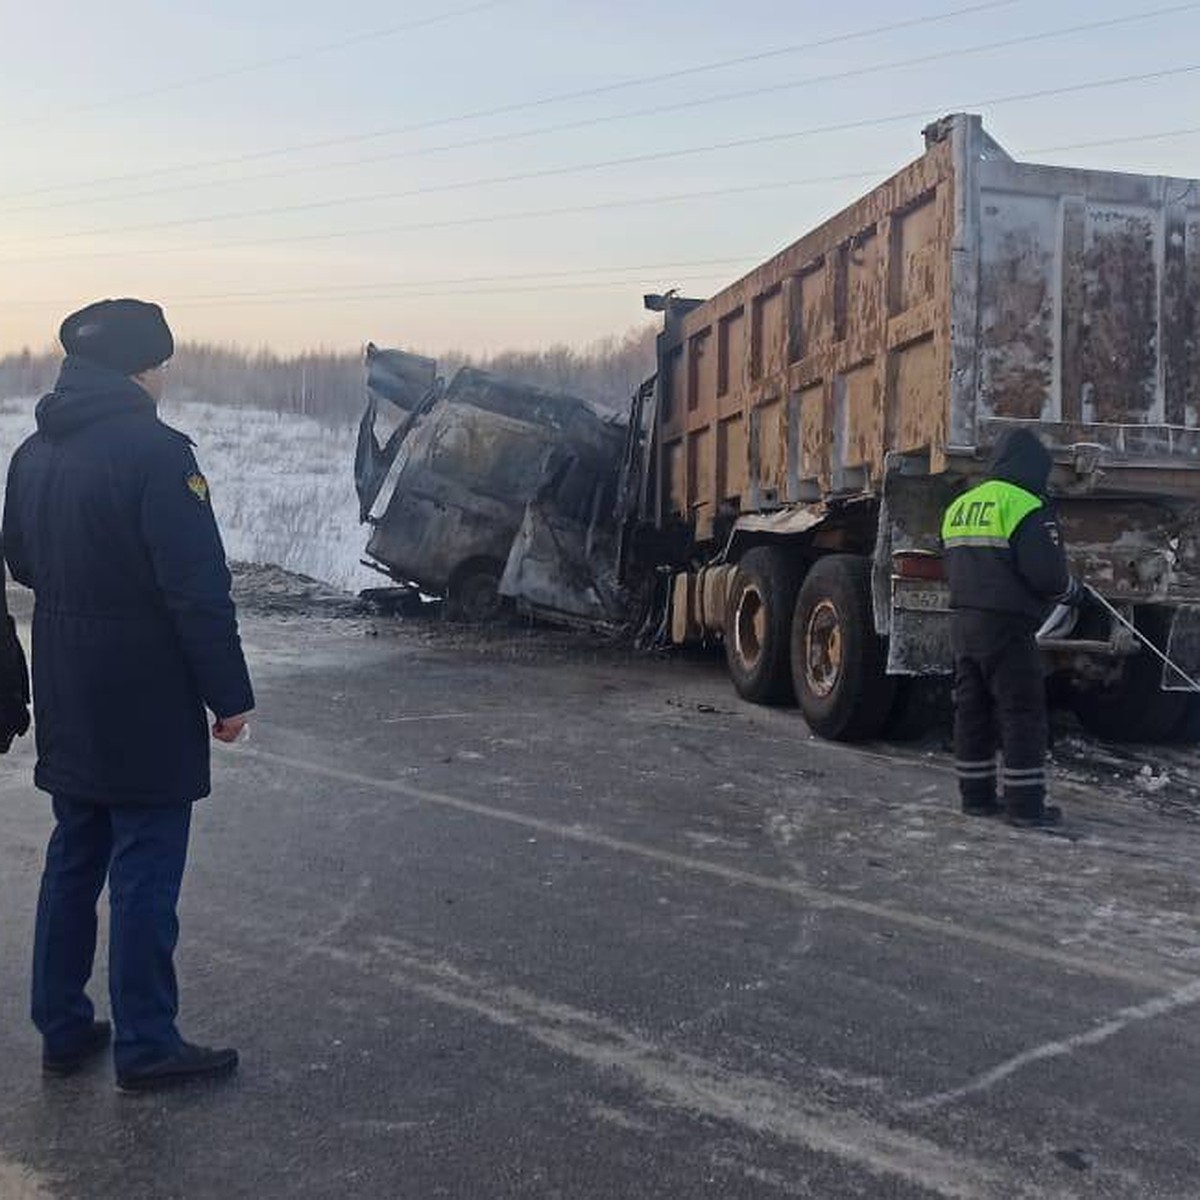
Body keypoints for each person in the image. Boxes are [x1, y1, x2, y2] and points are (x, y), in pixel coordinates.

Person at [3, 299, 255, 1092]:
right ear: (140, 370)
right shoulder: (156, 452)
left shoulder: (34, 451)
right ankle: (147, 1042)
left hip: (69, 680)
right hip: (143, 690)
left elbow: (24, 564)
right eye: (159, 368)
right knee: (146, 862)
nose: (162, 382)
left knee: (75, 854)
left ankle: (63, 1027)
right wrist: (228, 694)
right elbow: (198, 590)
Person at [940, 427, 1079, 829]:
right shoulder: (1026, 505)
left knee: (972, 711)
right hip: (1008, 626)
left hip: (964, 624)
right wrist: (1075, 593)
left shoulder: (961, 505)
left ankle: (976, 798)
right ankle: (1024, 805)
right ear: (1034, 468)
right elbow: (1048, 577)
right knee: (1021, 713)